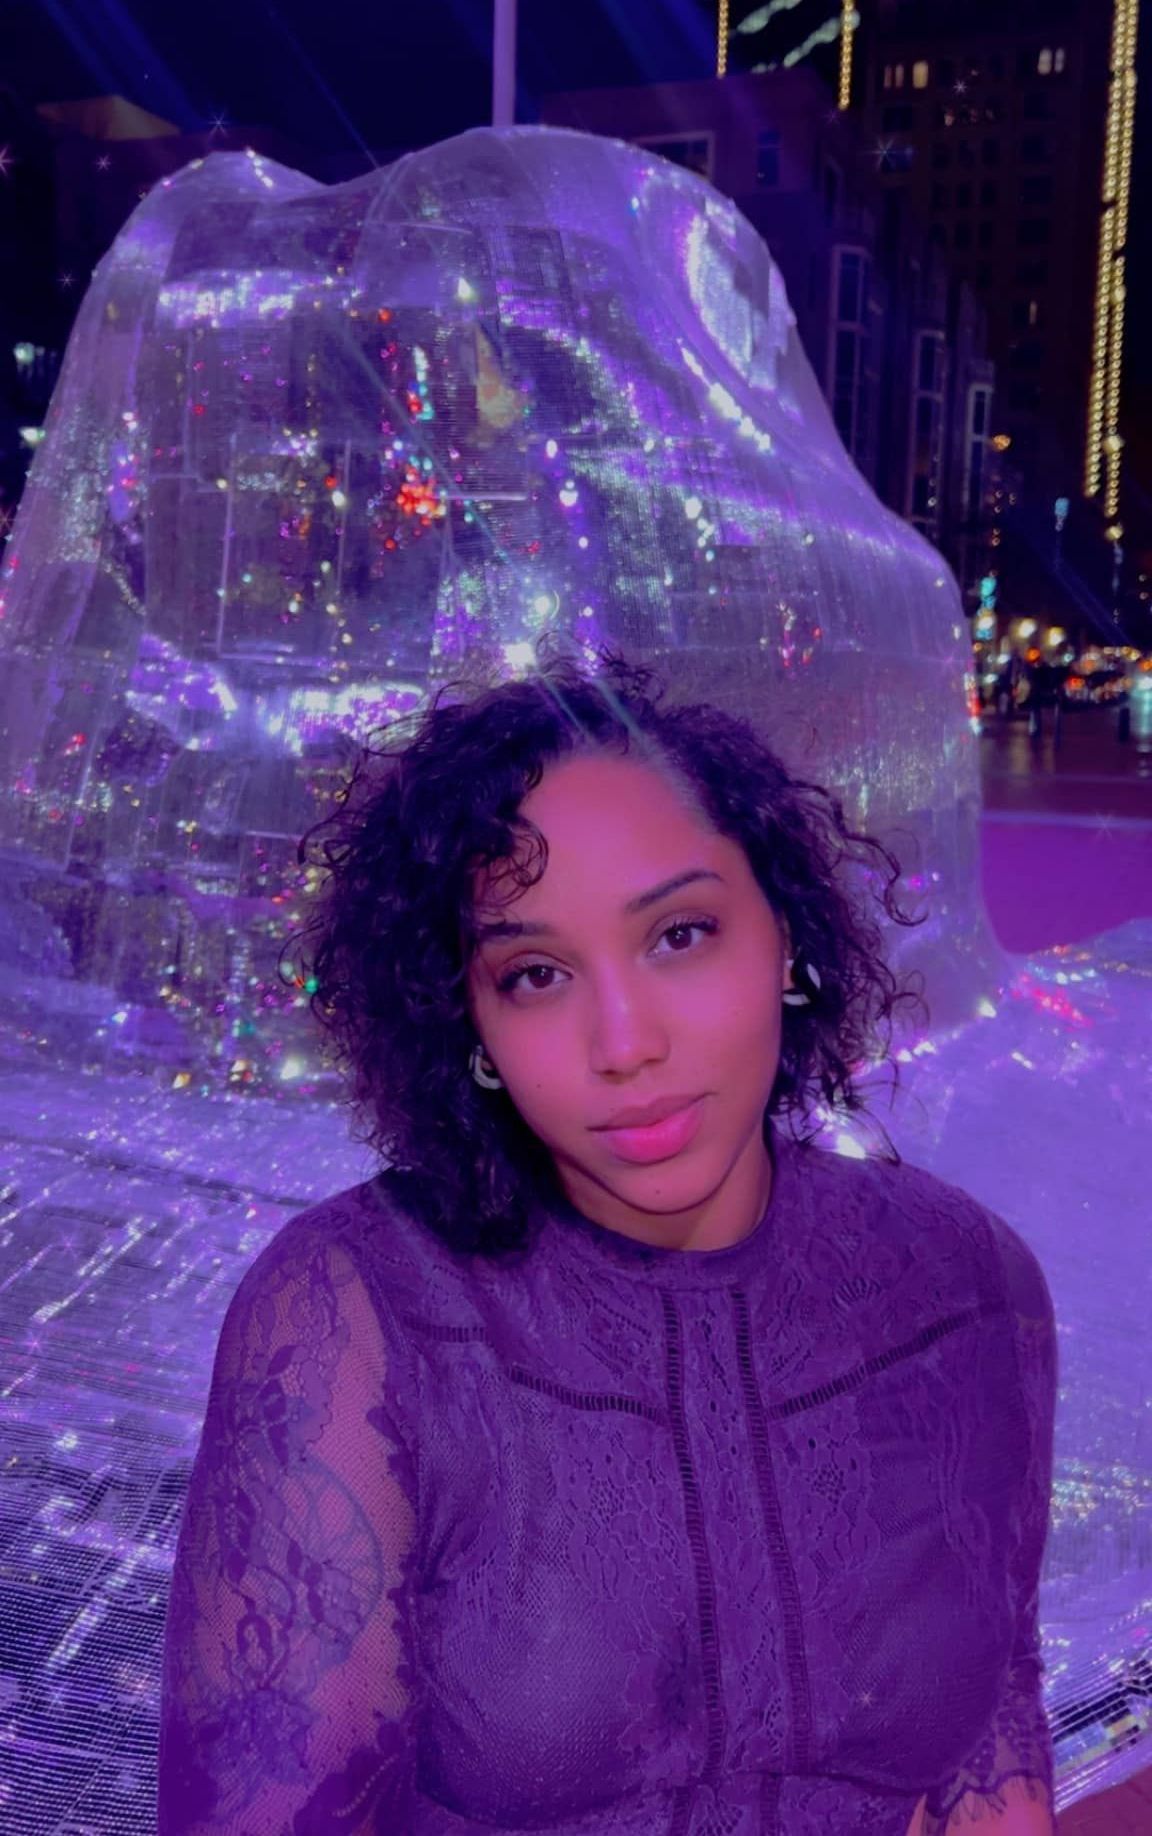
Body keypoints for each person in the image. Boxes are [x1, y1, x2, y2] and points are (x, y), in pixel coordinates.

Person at [156, 648, 1059, 1835]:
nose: (623, 1041)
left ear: (786, 942)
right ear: (467, 1020)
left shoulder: (965, 1283)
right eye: (535, 974)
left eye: (680, 935)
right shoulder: (359, 1317)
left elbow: (993, 1737)